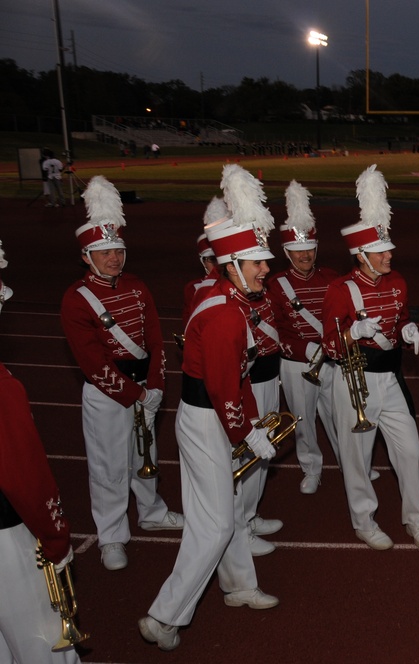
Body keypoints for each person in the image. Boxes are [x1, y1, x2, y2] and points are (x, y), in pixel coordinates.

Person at [139, 164, 281, 652]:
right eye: (259, 262)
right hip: (205, 423)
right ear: (233, 266)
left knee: (225, 512)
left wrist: (251, 425)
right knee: (216, 522)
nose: (267, 268)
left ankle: (238, 585)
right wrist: (248, 433)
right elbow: (224, 389)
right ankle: (164, 615)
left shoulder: (232, 301)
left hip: (212, 417)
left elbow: (235, 379)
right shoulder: (225, 317)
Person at [60, 175, 183, 572]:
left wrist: (157, 386)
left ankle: (151, 511)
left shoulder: (137, 286)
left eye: (118, 249)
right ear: (86, 256)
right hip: (109, 392)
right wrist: (136, 395)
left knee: (146, 455)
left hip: (145, 387)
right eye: (104, 251)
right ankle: (112, 536)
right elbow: (93, 362)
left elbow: (156, 341)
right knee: (110, 465)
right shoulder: (77, 300)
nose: (114, 257)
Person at [321, 165, 419, 550]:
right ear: (362, 255)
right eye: (382, 251)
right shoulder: (340, 290)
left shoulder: (399, 281)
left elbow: (399, 317)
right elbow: (330, 348)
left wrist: (406, 330)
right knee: (357, 456)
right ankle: (364, 520)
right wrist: (354, 332)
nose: (390, 255)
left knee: (411, 451)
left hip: (390, 377)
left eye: (388, 249)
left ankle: (415, 518)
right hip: (356, 381)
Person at [0, 243, 82, 664]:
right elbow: (25, 478)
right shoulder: (3, 388)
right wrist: (56, 537)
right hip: (6, 538)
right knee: (45, 642)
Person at [267, 180, 340, 495]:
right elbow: (274, 330)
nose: (305, 256)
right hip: (297, 364)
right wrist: (303, 347)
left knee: (341, 415)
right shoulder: (275, 284)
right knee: (303, 421)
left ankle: (352, 464)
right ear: (286, 252)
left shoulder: (332, 278)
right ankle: (312, 467)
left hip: (333, 362)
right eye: (297, 251)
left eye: (309, 249)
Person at [180, 197, 224, 326]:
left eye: (220, 259)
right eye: (212, 259)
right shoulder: (193, 289)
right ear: (203, 262)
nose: (217, 265)